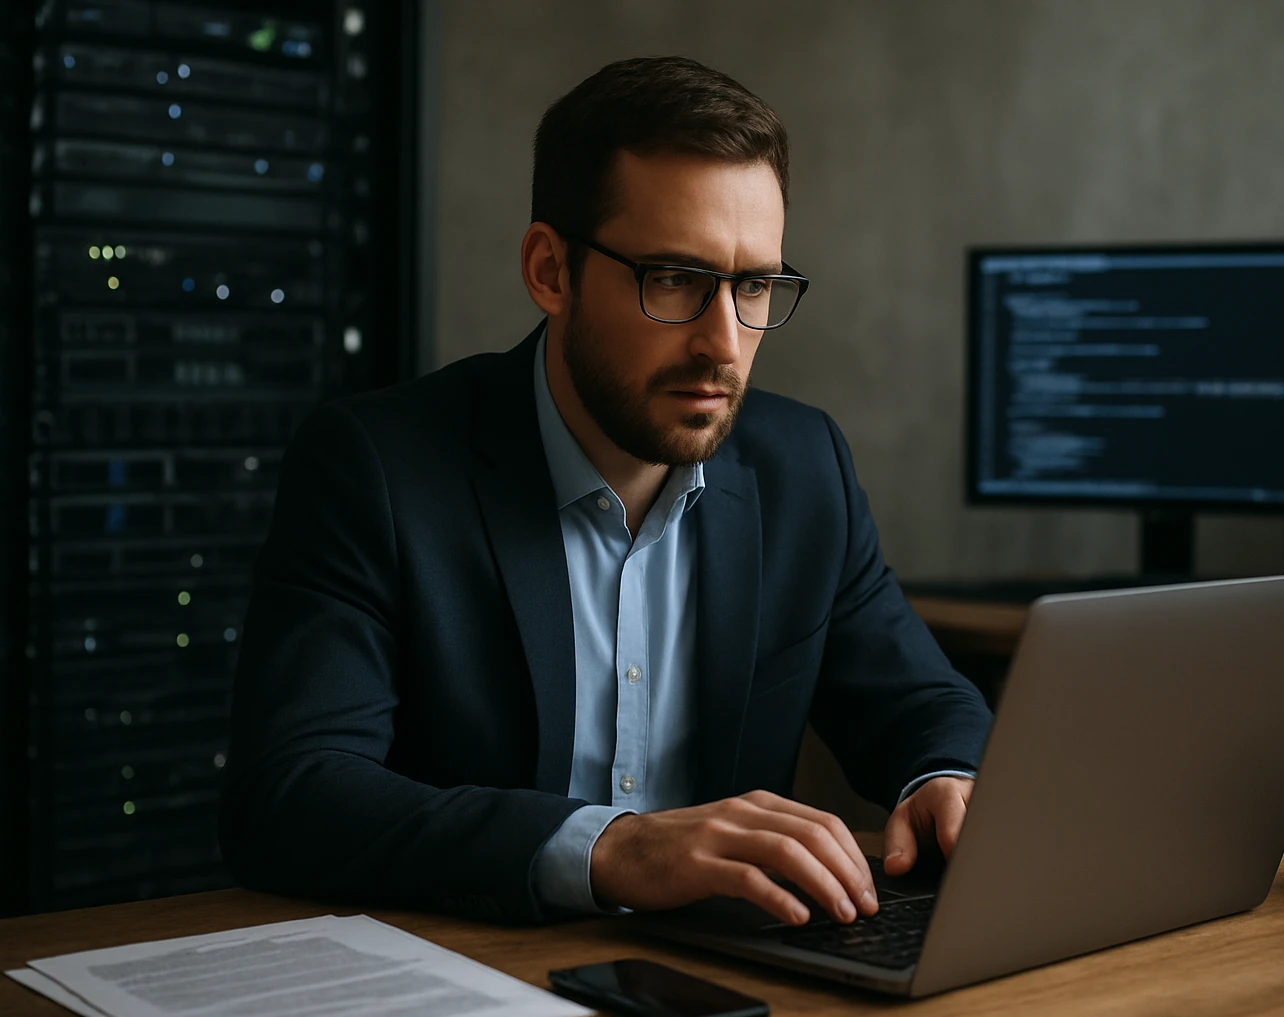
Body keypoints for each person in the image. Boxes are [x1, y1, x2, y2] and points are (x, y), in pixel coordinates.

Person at [219, 56, 992, 928]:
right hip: (480, 976)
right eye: (675, 280)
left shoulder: (802, 464)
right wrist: (609, 848)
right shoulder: (377, 466)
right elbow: (289, 798)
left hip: (723, 979)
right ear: (551, 271)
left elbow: (921, 703)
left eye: (752, 286)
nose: (724, 344)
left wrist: (944, 777)